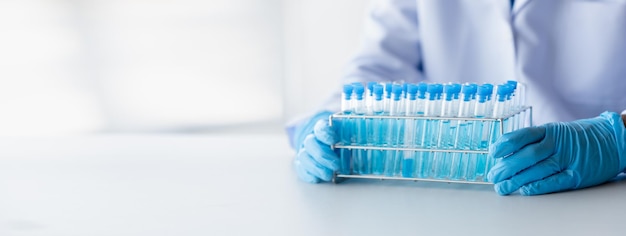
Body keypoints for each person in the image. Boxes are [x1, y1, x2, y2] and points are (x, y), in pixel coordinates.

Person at [286, 0, 626, 195]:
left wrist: (617, 140)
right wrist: (328, 122)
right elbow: (376, 71)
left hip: (609, 195)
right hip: (464, 198)